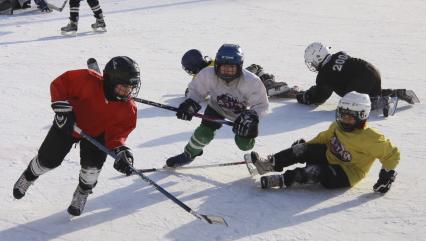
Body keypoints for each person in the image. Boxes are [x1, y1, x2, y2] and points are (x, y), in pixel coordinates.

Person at [13, 56, 141, 216]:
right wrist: (61, 109)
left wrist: (121, 151)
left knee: (91, 171)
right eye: (123, 86)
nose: (127, 91)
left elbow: (117, 135)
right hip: (69, 125)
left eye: (130, 87)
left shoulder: (128, 109)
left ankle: (83, 191)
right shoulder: (86, 79)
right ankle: (29, 175)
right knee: (47, 161)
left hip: (97, 134)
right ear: (109, 80)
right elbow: (60, 84)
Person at [247, 91, 399, 193]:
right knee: (301, 149)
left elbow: (392, 154)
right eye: (342, 115)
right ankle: (270, 163)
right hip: (330, 156)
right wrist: (305, 147)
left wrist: (387, 174)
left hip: (346, 173)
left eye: (350, 117)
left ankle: (283, 180)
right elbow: (323, 139)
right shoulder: (337, 126)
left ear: (362, 115)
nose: (345, 119)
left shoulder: (370, 138)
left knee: (318, 171)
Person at [166, 44, 269, 167]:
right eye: (223, 67)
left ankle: (247, 139)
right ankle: (189, 154)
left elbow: (261, 104)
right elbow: (196, 91)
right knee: (203, 134)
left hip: (241, 116)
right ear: (216, 64)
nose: (226, 71)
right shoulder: (207, 74)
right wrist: (190, 103)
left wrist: (252, 117)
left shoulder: (251, 81)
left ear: (240, 66)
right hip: (216, 107)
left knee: (243, 144)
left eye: (231, 67)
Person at [298, 42, 417, 117]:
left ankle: (385, 102)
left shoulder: (324, 75)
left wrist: (305, 96)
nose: (313, 65)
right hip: (372, 71)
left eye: (312, 62)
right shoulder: (339, 54)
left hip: (360, 81)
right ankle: (396, 93)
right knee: (373, 93)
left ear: (317, 58)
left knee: (350, 106)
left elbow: (321, 96)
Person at [181, 49, 301, 98]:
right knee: (255, 69)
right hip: (236, 79)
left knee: (250, 76)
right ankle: (265, 82)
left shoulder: (199, 79)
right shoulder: (214, 62)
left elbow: (191, 93)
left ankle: (265, 84)